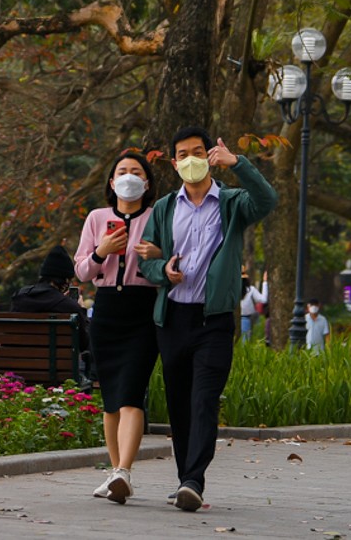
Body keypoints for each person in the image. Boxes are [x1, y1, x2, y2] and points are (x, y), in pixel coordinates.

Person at [139, 127, 278, 513]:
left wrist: (239, 164)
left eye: (197, 152)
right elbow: (146, 260)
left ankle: (194, 480)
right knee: (180, 402)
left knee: (203, 400)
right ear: (174, 162)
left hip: (213, 319)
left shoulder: (232, 203)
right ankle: (186, 479)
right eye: (182, 154)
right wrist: (161, 270)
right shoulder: (165, 208)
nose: (191, 159)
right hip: (172, 319)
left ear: (210, 155)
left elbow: (267, 199)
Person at [73, 150, 164, 505]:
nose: (129, 176)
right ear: (112, 182)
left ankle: (124, 469)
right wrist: (101, 251)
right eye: (122, 171)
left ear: (147, 181)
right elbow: (81, 271)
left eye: (136, 171)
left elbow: (174, 257)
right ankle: (115, 474)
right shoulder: (97, 218)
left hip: (143, 311)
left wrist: (157, 254)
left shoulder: (159, 216)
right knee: (111, 399)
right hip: (107, 309)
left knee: (131, 392)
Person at [10, 246, 84, 315]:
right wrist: (81, 308)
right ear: (65, 280)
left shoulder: (20, 297)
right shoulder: (69, 306)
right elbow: (86, 327)